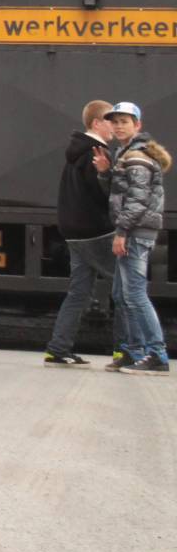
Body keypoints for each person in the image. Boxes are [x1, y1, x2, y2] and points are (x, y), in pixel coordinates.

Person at [43, 100, 118, 365]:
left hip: (74, 232)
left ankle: (58, 349)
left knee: (79, 292)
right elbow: (104, 194)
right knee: (126, 287)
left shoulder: (76, 151)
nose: (115, 126)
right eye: (110, 120)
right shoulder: (98, 152)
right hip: (96, 231)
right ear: (96, 123)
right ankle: (126, 351)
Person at [103, 102, 170, 375]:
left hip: (135, 233)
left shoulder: (137, 156)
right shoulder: (126, 153)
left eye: (125, 121)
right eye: (115, 121)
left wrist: (121, 232)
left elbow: (137, 200)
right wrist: (105, 172)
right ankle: (133, 351)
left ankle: (157, 354)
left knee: (135, 295)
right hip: (134, 230)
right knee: (121, 294)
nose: (119, 125)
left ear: (137, 125)